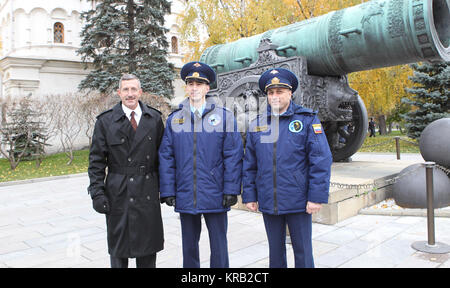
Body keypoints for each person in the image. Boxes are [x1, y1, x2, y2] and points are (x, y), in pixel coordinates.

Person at [242, 68, 332, 268]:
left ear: (290, 93)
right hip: (268, 199)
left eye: (280, 91)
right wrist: (250, 195)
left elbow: (320, 159)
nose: (275, 96)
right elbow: (250, 164)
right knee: (275, 252)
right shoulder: (257, 124)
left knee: (303, 251)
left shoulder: (306, 120)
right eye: (271, 92)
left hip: (298, 200)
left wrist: (316, 197)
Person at [158, 61, 243, 268]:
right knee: (189, 246)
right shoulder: (175, 119)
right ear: (186, 87)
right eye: (190, 83)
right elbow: (166, 155)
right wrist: (168, 189)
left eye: (199, 83)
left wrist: (231, 189)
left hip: (215, 193)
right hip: (186, 193)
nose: (194, 87)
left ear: (207, 88)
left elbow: (233, 154)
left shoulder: (224, 117)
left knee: (219, 245)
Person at [87, 74, 165, 268]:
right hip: (118, 193)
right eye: (125, 90)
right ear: (119, 92)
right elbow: (96, 161)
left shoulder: (154, 118)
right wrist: (97, 193)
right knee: (119, 253)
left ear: (140, 92)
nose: (130, 94)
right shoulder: (105, 122)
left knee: (147, 254)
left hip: (147, 192)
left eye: (133, 89)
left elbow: (163, 158)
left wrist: (167, 190)